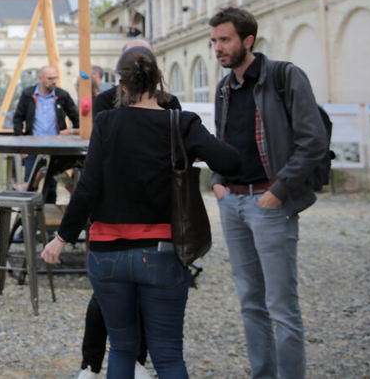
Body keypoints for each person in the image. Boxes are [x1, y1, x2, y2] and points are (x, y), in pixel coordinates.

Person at [42, 46, 241, 379]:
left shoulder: (105, 122)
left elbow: (88, 188)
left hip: (106, 255)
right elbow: (231, 161)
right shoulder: (181, 123)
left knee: (121, 349)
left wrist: (60, 239)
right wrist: (186, 153)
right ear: (159, 80)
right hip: (163, 253)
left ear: (121, 86)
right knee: (167, 356)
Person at [209, 7, 327, 379]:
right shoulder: (224, 88)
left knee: (282, 307)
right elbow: (222, 140)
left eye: (225, 40)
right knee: (250, 305)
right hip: (233, 203)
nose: (218, 48)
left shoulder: (284, 76)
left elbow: (313, 143)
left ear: (248, 41)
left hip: (269, 203)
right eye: (213, 41)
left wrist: (278, 192)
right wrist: (217, 180)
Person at [77, 39, 183, 379]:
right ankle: (90, 364)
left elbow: (88, 184)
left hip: (135, 235)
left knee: (133, 342)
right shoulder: (107, 108)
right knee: (110, 313)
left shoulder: (171, 111)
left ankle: (136, 362)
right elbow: (91, 181)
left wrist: (63, 236)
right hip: (131, 233)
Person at [12, 66, 80, 203]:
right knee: (31, 182)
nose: (54, 81)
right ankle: (29, 220)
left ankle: (48, 217)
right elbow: (18, 118)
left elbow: (76, 118)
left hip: (56, 146)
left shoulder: (62, 95)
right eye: (50, 78)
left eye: (55, 78)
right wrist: (21, 145)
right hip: (33, 146)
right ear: (40, 78)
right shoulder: (28, 94)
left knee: (51, 185)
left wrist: (73, 136)